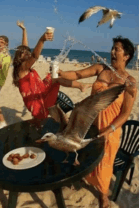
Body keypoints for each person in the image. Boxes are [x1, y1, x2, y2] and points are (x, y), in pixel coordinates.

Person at [58, 36, 137, 208]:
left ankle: (103, 196)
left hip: (110, 131)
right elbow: (78, 74)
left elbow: (125, 114)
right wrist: (61, 73)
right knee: (88, 157)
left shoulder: (130, 82)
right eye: (112, 48)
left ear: (127, 55)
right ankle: (87, 180)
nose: (112, 52)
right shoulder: (101, 69)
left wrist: (110, 128)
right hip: (90, 125)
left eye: (117, 49)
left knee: (104, 165)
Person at [13, 21, 91, 121]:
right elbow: (34, 56)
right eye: (24, 53)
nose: (27, 53)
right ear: (18, 57)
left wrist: (24, 30)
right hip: (37, 102)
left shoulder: (24, 64)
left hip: (41, 91)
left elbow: (25, 47)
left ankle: (81, 86)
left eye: (28, 51)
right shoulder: (22, 68)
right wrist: (42, 40)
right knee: (41, 122)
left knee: (55, 76)